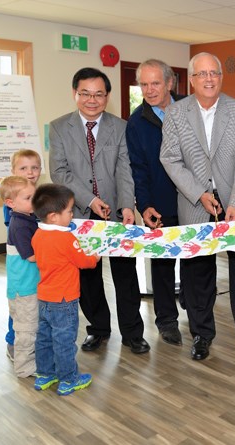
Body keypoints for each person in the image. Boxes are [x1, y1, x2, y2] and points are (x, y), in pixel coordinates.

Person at [160, 52, 235, 365]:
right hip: (194, 204)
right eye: (201, 74)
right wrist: (199, 193)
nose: (208, 79)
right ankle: (201, 335)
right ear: (191, 79)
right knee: (196, 277)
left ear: (221, 77)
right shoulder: (176, 113)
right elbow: (170, 159)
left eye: (214, 73)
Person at [49, 67, 149, 354]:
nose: (92, 100)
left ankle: (133, 333)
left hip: (117, 212)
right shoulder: (58, 128)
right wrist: (91, 199)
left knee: (125, 274)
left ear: (107, 96)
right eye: (85, 94)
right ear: (75, 94)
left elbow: (125, 170)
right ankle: (98, 329)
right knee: (88, 276)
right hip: (79, 213)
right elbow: (60, 172)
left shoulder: (121, 127)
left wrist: (127, 205)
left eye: (99, 94)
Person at [126, 59, 184, 346]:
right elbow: (138, 168)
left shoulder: (191, 108)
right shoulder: (136, 123)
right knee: (162, 267)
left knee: (197, 263)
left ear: (170, 83)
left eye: (155, 83)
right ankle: (167, 321)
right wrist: (144, 204)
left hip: (195, 202)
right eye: (144, 84)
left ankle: (198, 315)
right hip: (160, 206)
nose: (149, 90)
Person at [31, 183, 99, 395]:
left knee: (44, 337)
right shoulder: (66, 238)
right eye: (69, 211)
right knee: (64, 340)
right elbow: (84, 262)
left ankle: (45, 374)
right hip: (64, 300)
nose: (72, 214)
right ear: (53, 216)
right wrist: (95, 257)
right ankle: (69, 379)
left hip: (44, 298)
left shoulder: (38, 235)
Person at [2, 149, 42, 361]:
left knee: (30, 313)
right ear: (13, 172)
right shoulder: (15, 207)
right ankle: (13, 343)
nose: (30, 172)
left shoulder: (33, 197)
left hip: (32, 273)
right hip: (22, 268)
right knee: (20, 314)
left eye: (34, 167)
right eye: (23, 168)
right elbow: (23, 235)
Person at [0, 176, 39, 378]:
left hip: (30, 286)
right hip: (23, 289)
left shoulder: (28, 218)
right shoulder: (19, 225)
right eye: (28, 197)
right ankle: (24, 367)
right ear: (11, 203)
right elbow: (31, 256)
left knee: (32, 327)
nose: (34, 201)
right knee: (26, 330)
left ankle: (33, 359)